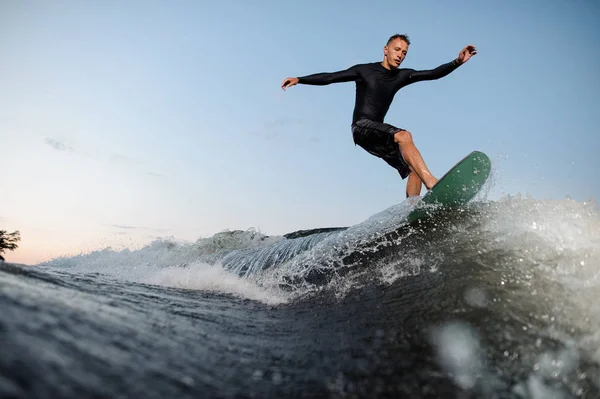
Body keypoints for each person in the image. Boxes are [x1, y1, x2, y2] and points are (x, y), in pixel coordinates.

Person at [281, 34, 477, 197]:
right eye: (397, 49)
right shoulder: (364, 70)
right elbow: (331, 77)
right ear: (386, 49)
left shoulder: (402, 76)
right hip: (361, 127)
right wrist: (300, 79)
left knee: (412, 169)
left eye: (404, 53)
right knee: (404, 135)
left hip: (378, 133)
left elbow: (433, 73)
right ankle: (432, 183)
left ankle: (413, 212)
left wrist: (457, 61)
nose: (400, 55)